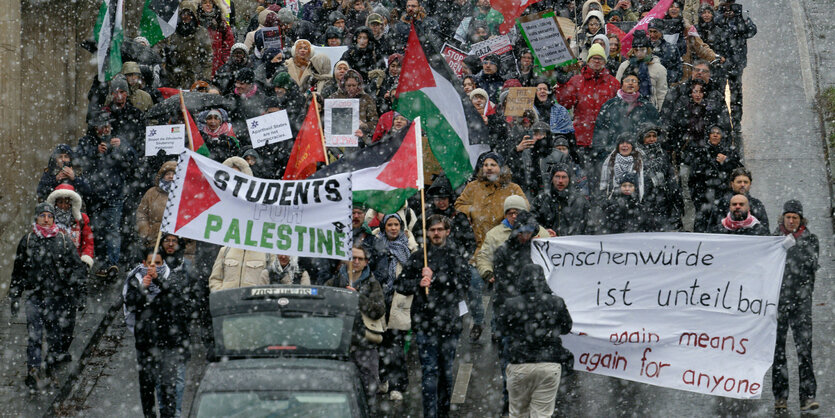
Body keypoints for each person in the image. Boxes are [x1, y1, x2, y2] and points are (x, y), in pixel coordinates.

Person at [396, 214, 470, 418]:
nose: (436, 233)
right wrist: (418, 282)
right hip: (425, 322)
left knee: (446, 373)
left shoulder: (456, 255)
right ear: (427, 232)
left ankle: (443, 412)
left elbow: (464, 283)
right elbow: (401, 285)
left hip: (449, 323)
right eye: (432, 230)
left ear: (447, 231)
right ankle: (430, 413)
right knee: (429, 371)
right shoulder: (419, 256)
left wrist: (435, 278)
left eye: (439, 229)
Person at [11, 202, 86, 392]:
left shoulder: (62, 240)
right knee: (34, 336)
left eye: (49, 216)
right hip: (35, 296)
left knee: (54, 336)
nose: (46, 219)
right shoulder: (27, 240)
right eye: (42, 215)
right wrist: (15, 295)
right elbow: (18, 271)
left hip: (57, 297)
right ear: (36, 218)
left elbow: (77, 267)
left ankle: (50, 368)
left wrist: (79, 292)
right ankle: (33, 370)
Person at [497, 264, 572, 418]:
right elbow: (566, 327)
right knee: (543, 414)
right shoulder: (556, 302)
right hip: (549, 363)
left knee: (517, 413)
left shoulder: (511, 304)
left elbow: (501, 330)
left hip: (520, 363)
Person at [123, 247, 191, 418]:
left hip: (167, 342)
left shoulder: (171, 277)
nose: (153, 267)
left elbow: (176, 296)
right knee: (147, 386)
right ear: (144, 263)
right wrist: (142, 289)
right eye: (150, 263)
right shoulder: (135, 278)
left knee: (168, 385)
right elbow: (130, 303)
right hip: (145, 343)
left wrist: (158, 279)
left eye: (158, 264)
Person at [771, 200, 820, 412]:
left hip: (801, 303)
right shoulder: (772, 240)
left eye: (795, 218)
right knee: (778, 351)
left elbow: (810, 269)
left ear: (801, 220)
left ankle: (807, 397)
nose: (791, 221)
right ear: (782, 218)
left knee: (804, 351)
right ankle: (780, 397)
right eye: (788, 217)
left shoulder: (811, 240)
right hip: (778, 302)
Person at [326, 245, 386, 411]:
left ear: (366, 262)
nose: (356, 262)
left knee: (369, 390)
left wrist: (357, 298)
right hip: (339, 343)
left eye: (360, 259)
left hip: (365, 344)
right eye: (353, 258)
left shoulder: (373, 283)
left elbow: (378, 310)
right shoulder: (335, 281)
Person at [370, 212, 417, 401]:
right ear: (384, 227)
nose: (393, 228)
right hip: (380, 300)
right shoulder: (375, 245)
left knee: (396, 347)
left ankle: (398, 385)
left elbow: (413, 273)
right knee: (380, 344)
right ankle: (383, 380)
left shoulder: (408, 249)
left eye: (396, 225)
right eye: (389, 225)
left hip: (399, 302)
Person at [553, 43, 619, 169]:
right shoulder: (576, 81)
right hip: (582, 138)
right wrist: (561, 85)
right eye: (594, 58)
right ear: (588, 60)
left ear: (604, 61)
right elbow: (565, 104)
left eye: (600, 58)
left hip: (605, 139)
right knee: (584, 177)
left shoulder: (613, 83)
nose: (597, 61)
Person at [455, 152, 527, 253]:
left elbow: (525, 207)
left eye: (493, 165)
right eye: (485, 165)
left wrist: (510, 213)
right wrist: (472, 211)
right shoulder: (472, 187)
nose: (488, 168)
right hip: (479, 248)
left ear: (501, 168)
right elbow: (459, 205)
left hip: (505, 248)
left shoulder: (513, 188)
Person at [592, 72, 659, 175]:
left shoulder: (647, 107)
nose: (630, 83)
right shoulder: (609, 106)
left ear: (638, 86)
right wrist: (603, 152)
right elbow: (600, 131)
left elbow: (655, 130)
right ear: (621, 84)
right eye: (627, 81)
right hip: (613, 154)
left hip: (640, 156)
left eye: (634, 81)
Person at [683, 125, 741, 232]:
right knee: (702, 226)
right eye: (712, 132)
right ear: (708, 135)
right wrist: (697, 197)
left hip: (723, 197)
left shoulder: (729, 151)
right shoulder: (700, 151)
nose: (715, 135)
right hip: (703, 197)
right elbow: (693, 177)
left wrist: (726, 161)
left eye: (718, 133)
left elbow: (738, 171)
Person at [712, 0, 756, 135]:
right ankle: (720, 121)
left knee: (736, 94)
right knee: (718, 93)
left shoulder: (740, 13)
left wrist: (742, 19)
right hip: (720, 62)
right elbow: (711, 31)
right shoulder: (716, 14)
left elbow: (751, 31)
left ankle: (736, 122)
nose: (727, 6)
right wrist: (722, 18)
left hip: (736, 63)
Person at [636, 125, 684, 231]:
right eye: (648, 136)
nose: (652, 139)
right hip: (645, 200)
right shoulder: (636, 155)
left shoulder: (662, 154)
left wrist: (675, 194)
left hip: (663, 199)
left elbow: (670, 175)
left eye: (654, 136)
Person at [162, 0, 213, 89]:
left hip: (196, 77)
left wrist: (205, 79)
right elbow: (166, 59)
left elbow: (208, 58)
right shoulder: (173, 33)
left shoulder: (201, 32)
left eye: (189, 14)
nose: (186, 17)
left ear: (193, 15)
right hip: (175, 78)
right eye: (183, 14)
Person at [46, 184, 95, 271]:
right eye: (60, 202)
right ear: (55, 203)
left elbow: (88, 242)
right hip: (52, 265)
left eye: (67, 202)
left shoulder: (81, 219)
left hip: (75, 264)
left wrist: (85, 260)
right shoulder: (48, 219)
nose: (63, 206)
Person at [531, 164, 590, 236]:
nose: (560, 181)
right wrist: (543, 231)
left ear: (569, 179)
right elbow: (531, 221)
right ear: (552, 179)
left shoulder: (580, 201)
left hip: (573, 244)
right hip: (548, 243)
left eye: (564, 177)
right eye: (557, 176)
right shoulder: (541, 200)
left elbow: (588, 226)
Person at [616, 30, 668, 109]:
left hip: (649, 110)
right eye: (636, 50)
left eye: (642, 49)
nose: (639, 53)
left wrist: (660, 113)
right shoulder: (624, 66)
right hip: (625, 110)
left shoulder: (659, 69)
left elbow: (661, 94)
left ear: (648, 50)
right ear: (633, 50)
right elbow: (617, 88)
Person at [710, 166, 769, 231]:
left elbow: (765, 231)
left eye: (745, 182)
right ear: (732, 184)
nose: (742, 185)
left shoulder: (757, 204)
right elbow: (712, 231)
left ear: (750, 184)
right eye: (739, 182)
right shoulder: (721, 204)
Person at [136, 161, 178, 249]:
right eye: (168, 174)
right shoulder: (152, 193)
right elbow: (141, 213)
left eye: (174, 174)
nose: (171, 176)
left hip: (175, 242)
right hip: (154, 239)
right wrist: (145, 231)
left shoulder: (183, 194)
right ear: (162, 176)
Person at [598, 134, 645, 200]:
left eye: (628, 143)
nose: (624, 145)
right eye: (622, 143)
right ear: (618, 146)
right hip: (614, 199)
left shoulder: (640, 160)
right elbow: (604, 183)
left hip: (634, 201)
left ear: (632, 146)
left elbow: (642, 183)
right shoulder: (611, 160)